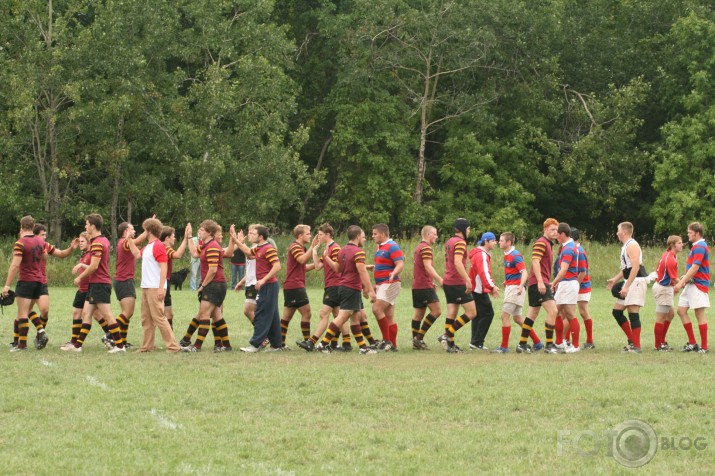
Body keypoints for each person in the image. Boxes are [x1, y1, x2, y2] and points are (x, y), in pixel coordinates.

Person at [64, 213, 125, 353]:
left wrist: (80, 277)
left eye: (87, 224)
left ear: (92, 226)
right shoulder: (103, 240)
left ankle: (120, 346)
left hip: (100, 283)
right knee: (86, 314)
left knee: (108, 315)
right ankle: (77, 346)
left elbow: (94, 266)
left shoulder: (97, 243)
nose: (85, 226)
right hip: (95, 283)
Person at [315, 225, 377, 354]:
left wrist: (326, 258)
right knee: (342, 317)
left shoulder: (342, 250)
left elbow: (337, 268)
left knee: (355, 317)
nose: (365, 239)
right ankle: (323, 344)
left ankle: (363, 348)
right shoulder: (358, 251)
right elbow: (362, 271)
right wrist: (370, 290)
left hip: (343, 287)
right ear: (358, 236)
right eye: (364, 237)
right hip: (351, 288)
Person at [125, 218, 180, 353]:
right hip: (146, 286)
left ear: (149, 231)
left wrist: (161, 287)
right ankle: (147, 346)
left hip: (155, 287)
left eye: (145, 230)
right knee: (146, 318)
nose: (144, 232)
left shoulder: (158, 246)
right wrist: (129, 240)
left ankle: (173, 346)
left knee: (159, 317)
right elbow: (137, 255)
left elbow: (164, 267)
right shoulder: (148, 246)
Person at [299, 223, 354, 351]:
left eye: (321, 235)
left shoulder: (335, 248)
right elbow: (318, 266)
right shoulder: (326, 249)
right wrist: (314, 250)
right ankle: (347, 344)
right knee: (339, 316)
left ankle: (312, 342)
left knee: (324, 314)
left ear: (328, 235)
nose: (319, 237)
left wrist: (326, 256)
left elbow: (337, 267)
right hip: (330, 285)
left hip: (335, 286)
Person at [181, 220, 233, 352]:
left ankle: (197, 346)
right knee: (217, 316)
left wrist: (203, 285)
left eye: (202, 230)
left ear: (209, 232)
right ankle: (226, 346)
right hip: (214, 284)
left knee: (204, 315)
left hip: (214, 284)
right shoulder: (205, 245)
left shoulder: (213, 247)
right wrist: (188, 236)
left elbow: (213, 270)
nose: (200, 232)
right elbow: (194, 253)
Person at [2, 216, 50, 352]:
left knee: (23, 312)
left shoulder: (20, 243)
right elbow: (45, 257)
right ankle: (39, 331)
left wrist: (6, 285)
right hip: (39, 281)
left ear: (21, 226)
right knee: (34, 310)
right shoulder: (41, 241)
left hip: (26, 281)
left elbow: (14, 265)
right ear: (33, 226)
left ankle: (21, 345)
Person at [235, 225, 283, 352]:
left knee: (261, 313)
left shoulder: (268, 248)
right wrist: (236, 241)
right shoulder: (258, 248)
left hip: (269, 285)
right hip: (267, 285)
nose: (251, 235)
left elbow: (277, 266)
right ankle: (277, 345)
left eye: (254, 234)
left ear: (261, 237)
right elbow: (248, 252)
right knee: (272, 315)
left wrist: (263, 280)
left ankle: (255, 344)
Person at [516, 218, 560, 354]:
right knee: (553, 311)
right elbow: (535, 261)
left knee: (532, 314)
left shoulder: (549, 244)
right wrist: (541, 282)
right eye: (552, 229)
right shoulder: (541, 243)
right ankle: (549, 345)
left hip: (539, 282)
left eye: (556, 230)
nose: (555, 232)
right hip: (538, 283)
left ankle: (522, 344)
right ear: (545, 230)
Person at [493, 232, 542, 353]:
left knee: (504, 316)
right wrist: (508, 280)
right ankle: (538, 342)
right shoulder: (507, 254)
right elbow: (514, 271)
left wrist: (520, 286)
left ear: (509, 242)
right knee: (518, 318)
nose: (499, 242)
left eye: (502, 240)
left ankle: (504, 347)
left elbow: (524, 272)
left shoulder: (515, 255)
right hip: (512, 286)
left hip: (515, 289)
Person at [606, 221, 648, 353]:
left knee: (633, 313)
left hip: (636, 281)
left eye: (618, 230)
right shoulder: (626, 245)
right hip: (630, 280)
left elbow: (636, 267)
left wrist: (626, 286)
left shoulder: (632, 245)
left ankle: (636, 346)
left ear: (624, 232)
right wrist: (615, 279)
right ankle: (632, 341)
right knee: (617, 311)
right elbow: (627, 268)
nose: (617, 232)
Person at [440, 218, 477, 353]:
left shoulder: (450, 241)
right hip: (457, 281)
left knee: (452, 312)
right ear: (462, 229)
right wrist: (467, 279)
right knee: (472, 312)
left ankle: (451, 345)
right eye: (468, 229)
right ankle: (446, 335)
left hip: (448, 280)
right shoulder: (461, 243)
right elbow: (457, 262)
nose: (469, 231)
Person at [280, 225, 319, 349]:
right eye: (308, 234)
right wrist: (313, 247)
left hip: (291, 286)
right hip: (295, 285)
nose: (310, 235)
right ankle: (308, 342)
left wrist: (319, 262)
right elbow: (302, 260)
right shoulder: (295, 246)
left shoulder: (301, 247)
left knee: (287, 316)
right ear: (300, 235)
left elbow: (303, 267)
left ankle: (279, 344)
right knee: (307, 313)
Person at [673, 222, 710, 353]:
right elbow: (692, 268)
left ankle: (704, 347)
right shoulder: (695, 246)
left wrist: (680, 282)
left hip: (698, 285)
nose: (687, 234)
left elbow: (695, 267)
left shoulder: (700, 246)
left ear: (697, 233)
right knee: (681, 311)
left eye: (689, 232)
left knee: (699, 313)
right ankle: (693, 343)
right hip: (691, 284)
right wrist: (685, 279)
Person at [113, 222, 147, 348]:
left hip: (122, 280)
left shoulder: (123, 242)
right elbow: (137, 241)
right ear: (126, 230)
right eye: (132, 229)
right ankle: (110, 335)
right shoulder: (125, 242)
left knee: (126, 313)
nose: (134, 231)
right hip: (124, 280)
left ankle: (122, 341)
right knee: (128, 312)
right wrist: (148, 229)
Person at [371, 223, 404, 351]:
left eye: (375, 234)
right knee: (389, 315)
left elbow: (400, 264)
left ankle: (386, 341)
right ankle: (393, 346)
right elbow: (381, 266)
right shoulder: (379, 247)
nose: (372, 236)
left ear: (383, 234)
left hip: (390, 284)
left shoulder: (393, 246)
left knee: (376, 309)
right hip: (382, 284)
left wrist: (394, 273)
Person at [550, 222, 581, 353]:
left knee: (566, 313)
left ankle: (574, 345)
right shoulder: (569, 246)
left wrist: (554, 283)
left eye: (557, 234)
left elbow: (563, 270)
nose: (556, 237)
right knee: (557, 312)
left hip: (567, 283)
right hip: (567, 283)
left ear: (562, 234)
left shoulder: (568, 248)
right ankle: (560, 342)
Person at [411, 225, 443, 350]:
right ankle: (418, 338)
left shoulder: (419, 247)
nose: (436, 236)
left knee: (419, 314)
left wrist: (430, 280)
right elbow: (428, 266)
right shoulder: (426, 248)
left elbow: (420, 268)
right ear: (428, 234)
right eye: (435, 234)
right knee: (436, 311)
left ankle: (416, 343)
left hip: (417, 285)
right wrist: (439, 278)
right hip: (424, 285)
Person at [468, 232, 499, 350]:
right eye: (493, 241)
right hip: (478, 289)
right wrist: (492, 287)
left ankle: (474, 342)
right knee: (488, 313)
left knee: (478, 315)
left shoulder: (479, 253)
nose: (495, 243)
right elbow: (484, 273)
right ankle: (477, 342)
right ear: (486, 241)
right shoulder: (481, 254)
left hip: (476, 288)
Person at [653, 235, 683, 351]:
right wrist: (685, 282)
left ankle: (662, 341)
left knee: (670, 314)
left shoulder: (669, 255)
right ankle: (658, 345)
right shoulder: (670, 258)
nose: (682, 245)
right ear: (673, 244)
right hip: (663, 289)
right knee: (661, 317)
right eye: (679, 243)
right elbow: (675, 279)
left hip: (665, 287)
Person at [161, 225, 190, 329]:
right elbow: (178, 255)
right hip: (162, 283)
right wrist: (186, 239)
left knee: (168, 314)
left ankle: (170, 339)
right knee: (163, 314)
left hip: (165, 283)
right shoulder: (165, 248)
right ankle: (170, 339)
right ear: (167, 238)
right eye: (173, 236)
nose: (175, 238)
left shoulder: (161, 247)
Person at [572, 228, 595, 350]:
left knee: (583, 312)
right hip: (577, 285)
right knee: (569, 312)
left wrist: (575, 285)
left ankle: (590, 340)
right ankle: (567, 340)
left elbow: (583, 272)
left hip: (582, 285)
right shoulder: (572, 249)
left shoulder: (579, 251)